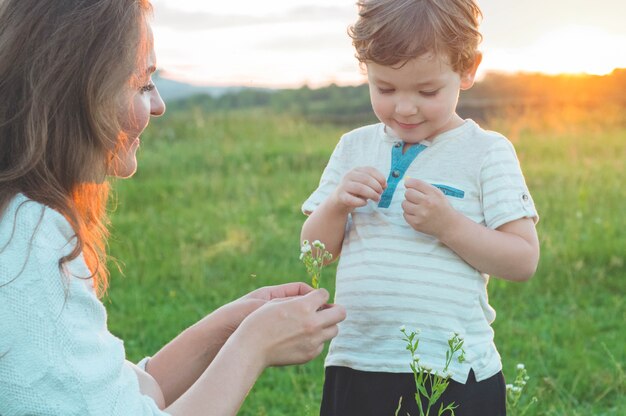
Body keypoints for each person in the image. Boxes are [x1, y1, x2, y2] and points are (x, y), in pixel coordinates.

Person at [0, 1, 346, 415]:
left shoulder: (19, 216)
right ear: (77, 87)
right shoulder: (29, 237)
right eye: (143, 84)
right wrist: (255, 345)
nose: (160, 104)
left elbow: (116, 396)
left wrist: (229, 326)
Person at [301, 0, 540, 415]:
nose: (404, 107)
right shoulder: (353, 147)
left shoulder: (486, 152)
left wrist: (449, 225)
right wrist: (338, 203)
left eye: (427, 91)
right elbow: (314, 249)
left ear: (467, 69)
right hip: (358, 359)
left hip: (452, 369)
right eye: (385, 88)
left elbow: (522, 260)